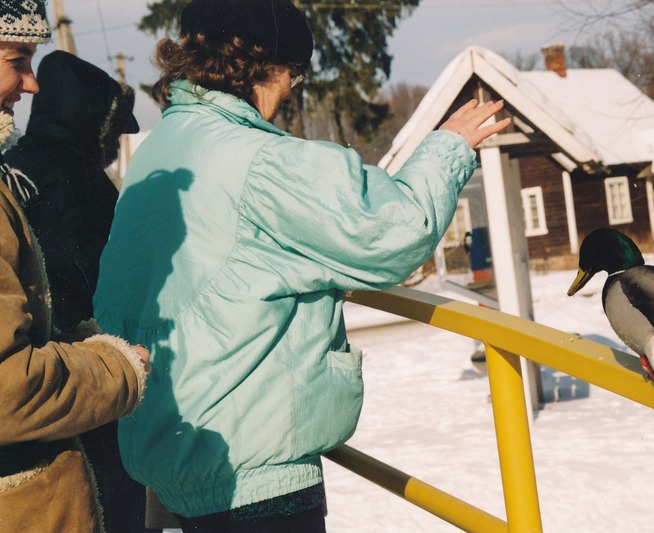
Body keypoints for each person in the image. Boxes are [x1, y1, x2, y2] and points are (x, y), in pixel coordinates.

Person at [92, 0, 510, 530]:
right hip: (252, 470)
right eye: (295, 73)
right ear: (259, 64)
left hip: (173, 449)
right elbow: (392, 232)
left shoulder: (160, 152)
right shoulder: (257, 160)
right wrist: (449, 148)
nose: (292, 91)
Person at [0, 1, 150, 532]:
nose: (30, 84)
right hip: (54, 425)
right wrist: (113, 362)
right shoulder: (82, 182)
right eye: (18, 60)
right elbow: (8, 384)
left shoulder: (11, 165)